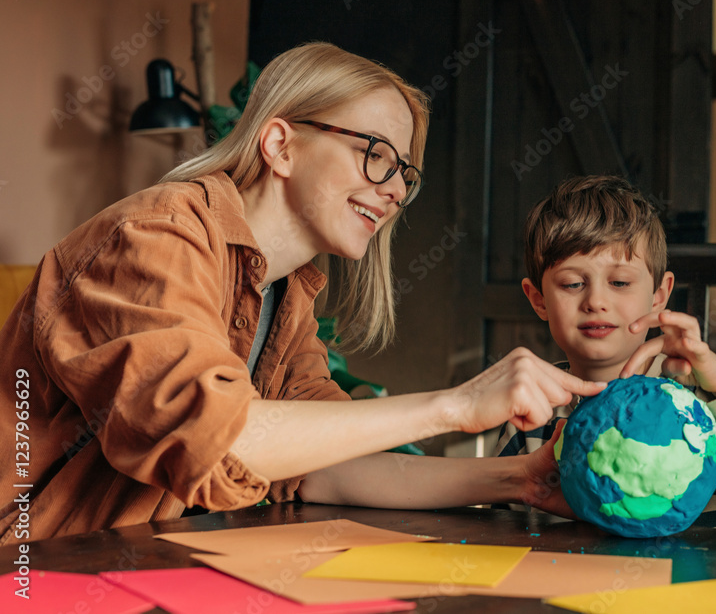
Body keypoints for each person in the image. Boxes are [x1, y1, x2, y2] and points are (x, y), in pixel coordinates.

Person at [0, 42, 605, 544]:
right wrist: (456, 405)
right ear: (280, 145)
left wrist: (523, 481)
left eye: (404, 172)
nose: (394, 190)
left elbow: (324, 469)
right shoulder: (155, 238)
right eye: (376, 155)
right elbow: (215, 436)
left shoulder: (284, 295)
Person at [493, 175, 716, 530]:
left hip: (698, 582)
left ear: (659, 294)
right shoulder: (531, 414)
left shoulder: (703, 403)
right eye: (573, 284)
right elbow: (499, 530)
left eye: (620, 282)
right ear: (538, 299)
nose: (596, 301)